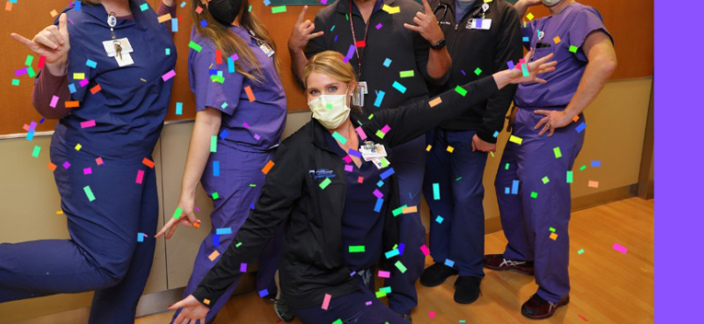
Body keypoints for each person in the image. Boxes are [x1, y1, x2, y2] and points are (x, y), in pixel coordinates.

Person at [168, 49, 556, 324]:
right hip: (317, 282)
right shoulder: (298, 154)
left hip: (364, 272)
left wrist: (506, 77)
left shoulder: (373, 126)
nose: (322, 100)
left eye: (332, 89)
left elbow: (438, 106)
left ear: (351, 88)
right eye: (314, 92)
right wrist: (206, 293)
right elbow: (254, 231)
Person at [0, 0, 181, 323]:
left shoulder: (143, 7)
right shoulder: (76, 25)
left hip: (140, 156)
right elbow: (51, 106)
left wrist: (168, 7)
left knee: (135, 262)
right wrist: (55, 67)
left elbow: (150, 55)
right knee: (106, 262)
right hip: (98, 157)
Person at [157, 0, 304, 323]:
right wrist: (185, 195)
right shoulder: (214, 43)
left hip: (263, 155)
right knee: (228, 243)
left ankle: (269, 288)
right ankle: (190, 318)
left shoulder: (242, 24)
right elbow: (206, 120)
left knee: (270, 226)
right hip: (238, 160)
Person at [288, 0, 451, 320]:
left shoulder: (412, 12)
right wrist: (295, 49)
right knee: (358, 222)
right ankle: (359, 301)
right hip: (353, 139)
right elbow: (307, 80)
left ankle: (402, 303)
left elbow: (439, 78)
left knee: (405, 220)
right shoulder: (326, 19)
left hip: (405, 136)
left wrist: (437, 42)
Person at [484, 0, 617, 320]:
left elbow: (604, 61)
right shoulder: (538, 22)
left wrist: (568, 113)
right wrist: (524, 3)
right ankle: (522, 255)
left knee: (546, 210)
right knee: (507, 188)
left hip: (550, 129)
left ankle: (554, 289)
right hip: (521, 125)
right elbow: (496, 31)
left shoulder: (581, 16)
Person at [419, 0, 523, 304]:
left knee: (465, 198)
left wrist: (489, 129)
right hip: (433, 124)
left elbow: (508, 74)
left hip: (473, 129)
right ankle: (444, 259)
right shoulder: (434, 7)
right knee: (438, 197)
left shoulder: (504, 13)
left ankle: (470, 269)